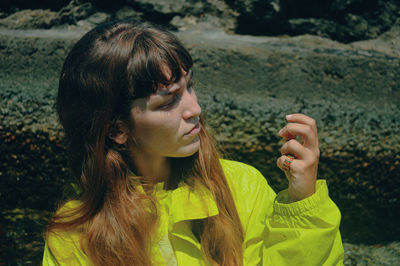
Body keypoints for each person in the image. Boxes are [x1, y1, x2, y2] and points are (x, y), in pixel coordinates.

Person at [42, 21, 344, 265]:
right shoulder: (74, 235)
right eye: (168, 101)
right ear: (116, 129)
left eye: (190, 87)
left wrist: (303, 202)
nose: (194, 108)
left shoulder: (241, 187)